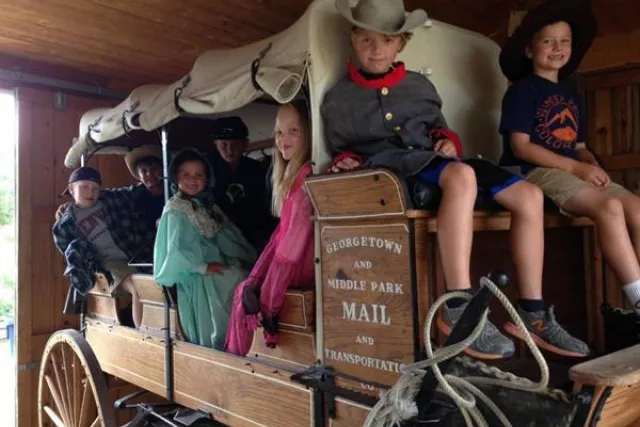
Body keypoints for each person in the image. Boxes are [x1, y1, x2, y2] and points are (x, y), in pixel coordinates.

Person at [321, 0, 590, 359]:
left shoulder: (420, 87)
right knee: (462, 175)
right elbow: (341, 150)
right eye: (367, 40)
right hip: (389, 168)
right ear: (354, 39)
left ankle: (533, 313)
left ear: (401, 43)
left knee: (529, 196)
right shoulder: (338, 99)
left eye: (386, 41)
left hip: (432, 159)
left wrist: (446, 140)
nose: (377, 49)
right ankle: (459, 308)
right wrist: (345, 160)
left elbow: (438, 129)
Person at [499, 0, 640, 316]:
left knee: (638, 209)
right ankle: (639, 299)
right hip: (534, 170)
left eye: (564, 41)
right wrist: (577, 167)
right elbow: (520, 146)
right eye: (547, 41)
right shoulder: (522, 91)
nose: (557, 47)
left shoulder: (572, 96)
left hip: (573, 170)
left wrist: (589, 163)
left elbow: (578, 145)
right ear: (529, 50)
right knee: (610, 207)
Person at [225, 101, 314, 356]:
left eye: (293, 131)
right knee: (244, 288)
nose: (283, 140)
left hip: (300, 269)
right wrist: (256, 278)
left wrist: (269, 303)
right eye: (278, 132)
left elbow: (290, 251)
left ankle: (241, 362)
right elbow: (279, 239)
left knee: (243, 295)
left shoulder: (305, 176)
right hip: (292, 264)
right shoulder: (293, 176)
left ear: (307, 133)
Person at [154, 148, 256, 350]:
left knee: (247, 275)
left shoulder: (208, 206)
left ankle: (246, 337)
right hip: (196, 275)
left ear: (207, 179)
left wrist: (248, 256)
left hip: (217, 265)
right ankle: (223, 343)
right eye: (186, 174)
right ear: (176, 177)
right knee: (234, 278)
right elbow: (175, 250)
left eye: (199, 174)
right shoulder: (176, 210)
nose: (193, 179)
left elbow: (229, 237)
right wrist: (201, 267)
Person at [52, 167, 150, 325]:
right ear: (71, 189)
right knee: (138, 287)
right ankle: (144, 335)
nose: (91, 193)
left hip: (135, 253)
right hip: (109, 263)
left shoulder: (109, 199)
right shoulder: (64, 224)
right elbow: (68, 251)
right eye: (84, 187)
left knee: (160, 283)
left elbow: (135, 191)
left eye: (95, 188)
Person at [209, 116, 278, 251]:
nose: (229, 150)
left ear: (245, 144)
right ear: (215, 143)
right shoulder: (206, 169)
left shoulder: (257, 170)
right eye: (224, 144)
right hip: (218, 238)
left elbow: (266, 205)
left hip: (251, 238)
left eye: (235, 144)